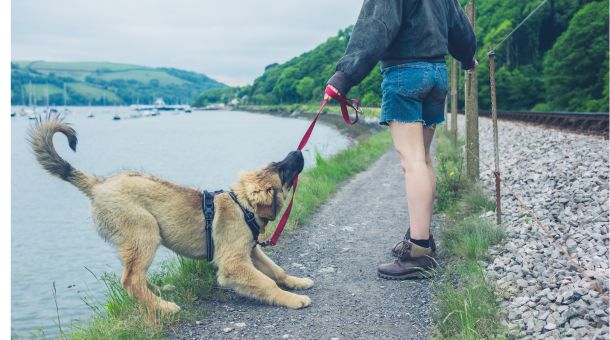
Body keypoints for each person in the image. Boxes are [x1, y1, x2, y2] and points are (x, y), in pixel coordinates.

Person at [325, 0, 477, 279]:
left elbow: (375, 27)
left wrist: (343, 77)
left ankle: (419, 252)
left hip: (405, 75)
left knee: (413, 162)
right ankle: (422, 238)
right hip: (437, 75)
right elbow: (459, 26)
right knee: (424, 158)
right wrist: (468, 57)